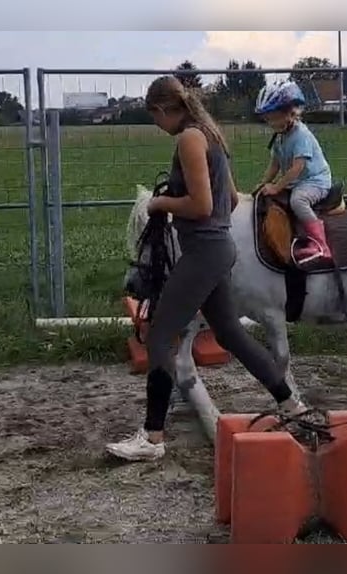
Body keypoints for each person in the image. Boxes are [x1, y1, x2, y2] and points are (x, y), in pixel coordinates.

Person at [105, 75, 308, 462]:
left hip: (202, 253)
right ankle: (291, 404)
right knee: (230, 333)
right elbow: (229, 200)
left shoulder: (188, 139)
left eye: (155, 118)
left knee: (160, 337)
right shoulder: (211, 135)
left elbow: (200, 206)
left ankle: (151, 438)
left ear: (164, 110)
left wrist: (160, 205)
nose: (157, 127)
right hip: (219, 248)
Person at [255, 80, 334, 265]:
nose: (269, 122)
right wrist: (263, 183)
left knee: (298, 201)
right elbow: (274, 164)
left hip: (316, 181)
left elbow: (297, 168)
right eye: (267, 118)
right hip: (298, 181)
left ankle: (322, 245)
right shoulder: (280, 136)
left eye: (273, 117)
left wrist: (276, 187)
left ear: (290, 113)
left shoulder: (301, 135)